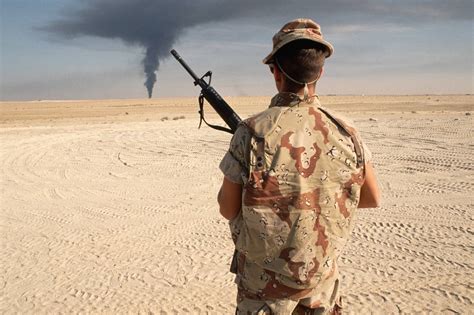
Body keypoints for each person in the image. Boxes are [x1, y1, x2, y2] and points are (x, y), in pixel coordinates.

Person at [218, 18, 380, 315]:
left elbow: (228, 208)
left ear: (276, 72)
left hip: (264, 296)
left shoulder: (252, 132)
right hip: (321, 290)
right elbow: (371, 197)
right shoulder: (346, 131)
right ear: (321, 71)